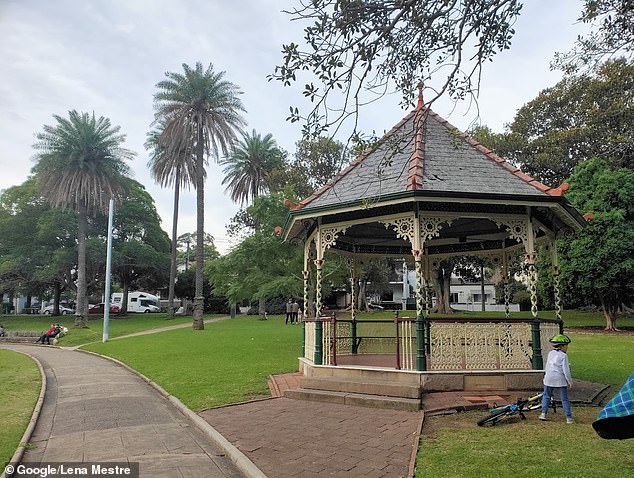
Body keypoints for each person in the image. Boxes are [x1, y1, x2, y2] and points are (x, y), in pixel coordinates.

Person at [540, 333, 574, 424]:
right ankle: (568, 417)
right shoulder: (564, 356)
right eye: (566, 345)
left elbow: (547, 366)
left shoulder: (550, 353)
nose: (567, 347)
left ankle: (543, 413)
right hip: (560, 379)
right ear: (562, 346)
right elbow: (566, 370)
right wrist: (569, 381)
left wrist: (545, 376)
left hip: (549, 378)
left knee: (546, 396)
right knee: (564, 399)